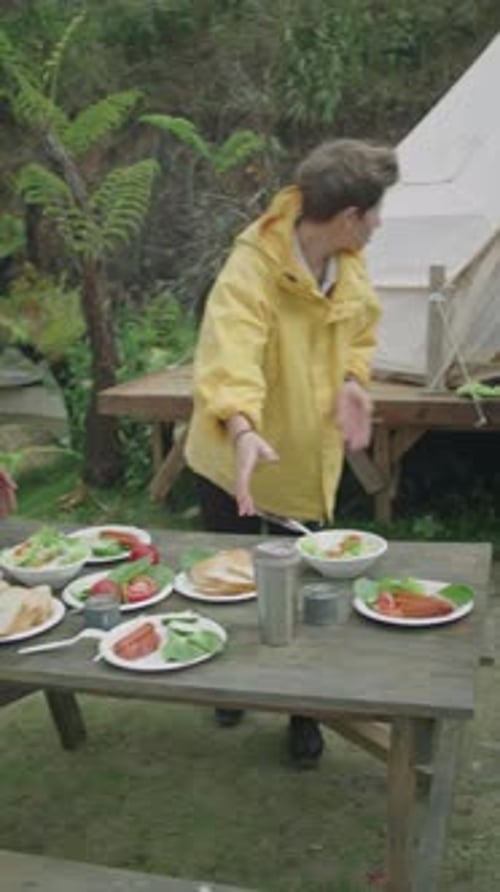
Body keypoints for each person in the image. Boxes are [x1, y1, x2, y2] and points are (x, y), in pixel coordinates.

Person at [185, 138, 399, 767]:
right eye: (375, 212)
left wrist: (356, 381)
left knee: (307, 594)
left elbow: (362, 330)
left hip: (307, 459)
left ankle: (303, 715)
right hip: (238, 461)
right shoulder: (250, 268)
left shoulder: (348, 264)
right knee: (229, 585)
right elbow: (230, 354)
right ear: (347, 216)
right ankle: (230, 686)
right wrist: (244, 426)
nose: (380, 224)